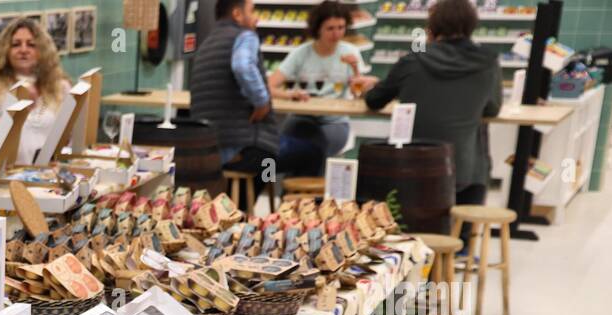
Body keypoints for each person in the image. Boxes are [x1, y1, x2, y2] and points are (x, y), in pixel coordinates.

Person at [363, 0, 501, 223]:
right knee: (477, 137)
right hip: (462, 170)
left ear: (432, 27)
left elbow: (374, 100)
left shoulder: (414, 59)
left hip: (410, 166)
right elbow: (492, 109)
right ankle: (463, 237)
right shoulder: (487, 61)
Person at [267, 1, 378, 176]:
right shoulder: (301, 53)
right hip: (301, 118)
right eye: (330, 28)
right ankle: (302, 196)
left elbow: (360, 96)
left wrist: (356, 70)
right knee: (298, 148)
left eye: (341, 27)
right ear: (318, 28)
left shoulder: (351, 53)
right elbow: (269, 85)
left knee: (315, 147)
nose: (337, 33)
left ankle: (300, 197)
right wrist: (289, 94)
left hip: (334, 122)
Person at [189, 0, 279, 174]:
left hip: (209, 150)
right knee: (300, 154)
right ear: (237, 14)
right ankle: (260, 199)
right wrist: (262, 102)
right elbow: (242, 66)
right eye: (252, 11)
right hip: (246, 149)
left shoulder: (207, 44)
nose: (257, 18)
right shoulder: (245, 36)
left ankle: (235, 199)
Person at [0, 17, 72, 165]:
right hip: (3, 175)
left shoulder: (59, 86)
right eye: (16, 45)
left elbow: (69, 137)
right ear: (6, 50)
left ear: (41, 50)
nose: (23, 50)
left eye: (31, 45)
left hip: (47, 174)